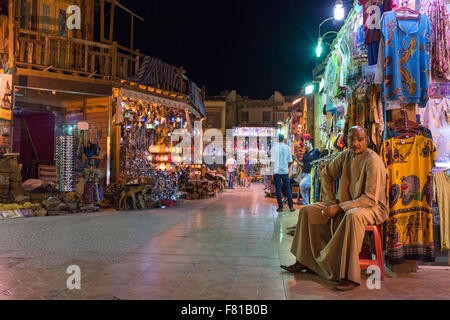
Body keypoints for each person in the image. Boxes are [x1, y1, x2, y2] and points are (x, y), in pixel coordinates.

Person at [280, 126, 388, 291]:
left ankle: (349, 275)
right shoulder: (345, 155)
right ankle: (304, 260)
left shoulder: (372, 160)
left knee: (353, 216)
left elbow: (369, 198)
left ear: (366, 140)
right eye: (352, 139)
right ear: (346, 140)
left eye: (360, 139)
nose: (356, 143)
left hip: (371, 206)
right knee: (307, 211)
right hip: (347, 203)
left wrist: (338, 208)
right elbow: (326, 174)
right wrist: (331, 202)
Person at [271, 134, 295, 212]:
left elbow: (273, 161)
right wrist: (286, 168)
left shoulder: (274, 148)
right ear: (283, 139)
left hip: (276, 171)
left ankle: (280, 207)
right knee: (287, 188)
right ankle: (291, 206)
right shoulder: (287, 148)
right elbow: (290, 161)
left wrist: (272, 172)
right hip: (284, 171)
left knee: (278, 189)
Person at [298, 139, 321, 206]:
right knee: (304, 188)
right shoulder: (305, 154)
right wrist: (296, 160)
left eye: (306, 143)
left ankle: (306, 204)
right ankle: (307, 204)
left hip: (310, 174)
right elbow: (303, 165)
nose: (305, 145)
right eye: (304, 144)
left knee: (303, 185)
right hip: (304, 174)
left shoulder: (316, 151)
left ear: (310, 144)